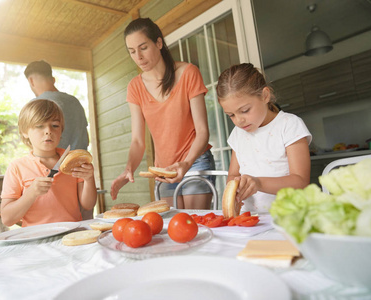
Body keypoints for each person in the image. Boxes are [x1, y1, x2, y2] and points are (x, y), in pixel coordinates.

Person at [110, 18, 215, 209]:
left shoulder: (188, 73)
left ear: (158, 43)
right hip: (163, 169)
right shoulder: (135, 87)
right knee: (171, 230)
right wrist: (128, 168)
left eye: (143, 47)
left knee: (194, 226)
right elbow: (137, 141)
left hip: (194, 161)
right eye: (132, 51)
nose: (138, 57)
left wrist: (187, 162)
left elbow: (202, 131)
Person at [217, 63, 312, 213]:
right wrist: (235, 188)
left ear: (265, 96)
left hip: (290, 217)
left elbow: (300, 181)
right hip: (252, 218)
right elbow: (234, 175)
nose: (238, 120)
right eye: (231, 115)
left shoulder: (289, 125)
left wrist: (258, 183)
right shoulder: (238, 133)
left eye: (244, 110)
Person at [0, 99, 97, 227]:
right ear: (25, 131)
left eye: (55, 125)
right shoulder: (16, 167)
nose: (48, 131)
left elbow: (88, 205)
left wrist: (89, 179)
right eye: (40, 126)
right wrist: (31, 193)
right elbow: (7, 219)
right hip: (35, 239)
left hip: (71, 232)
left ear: (61, 130)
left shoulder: (72, 160)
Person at [24, 60, 89, 150]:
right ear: (53, 80)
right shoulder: (74, 102)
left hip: (53, 163)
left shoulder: (35, 105)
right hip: (81, 161)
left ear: (31, 81)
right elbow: (85, 138)